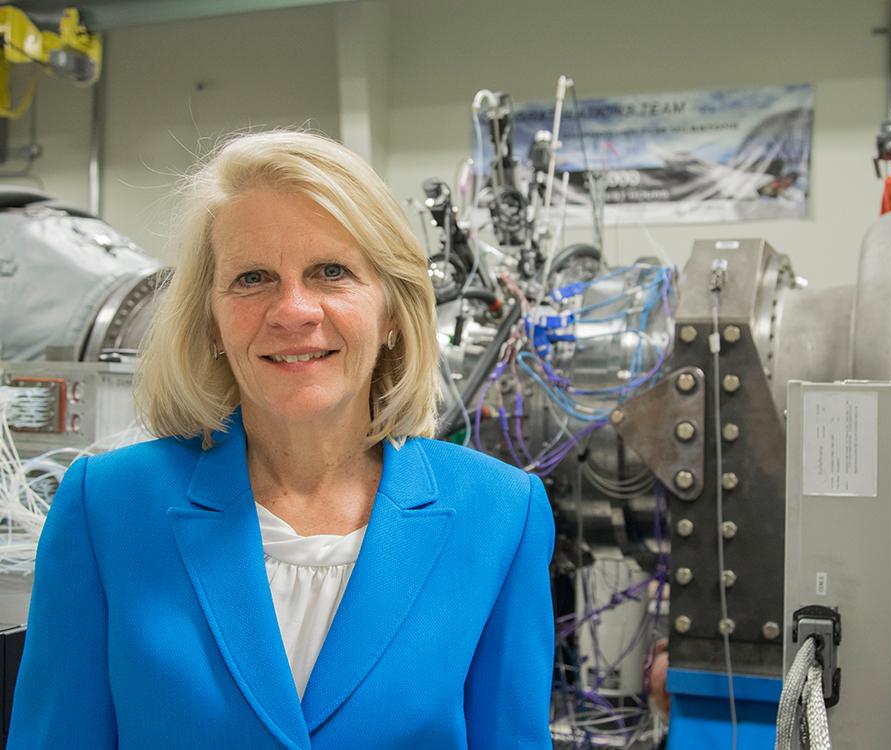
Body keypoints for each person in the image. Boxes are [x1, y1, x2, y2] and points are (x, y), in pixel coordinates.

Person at [8, 131, 556, 749]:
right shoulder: (106, 507)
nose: (293, 310)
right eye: (252, 278)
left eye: (332, 272)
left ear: (394, 314)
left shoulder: (500, 514)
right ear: (210, 320)